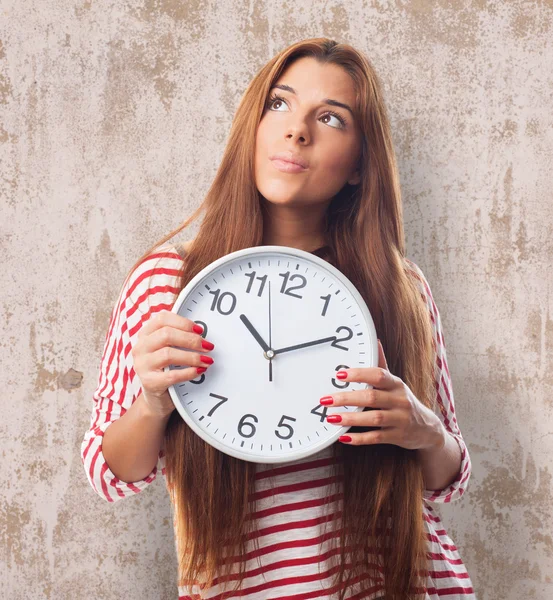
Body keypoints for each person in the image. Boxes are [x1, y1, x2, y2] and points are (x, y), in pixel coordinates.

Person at [81, 38, 474, 600]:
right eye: (280, 104)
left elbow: (446, 484)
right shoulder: (169, 282)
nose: (298, 131)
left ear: (361, 163)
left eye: (331, 118)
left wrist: (423, 430)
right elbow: (108, 474)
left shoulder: (400, 286)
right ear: (254, 127)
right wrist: (153, 402)